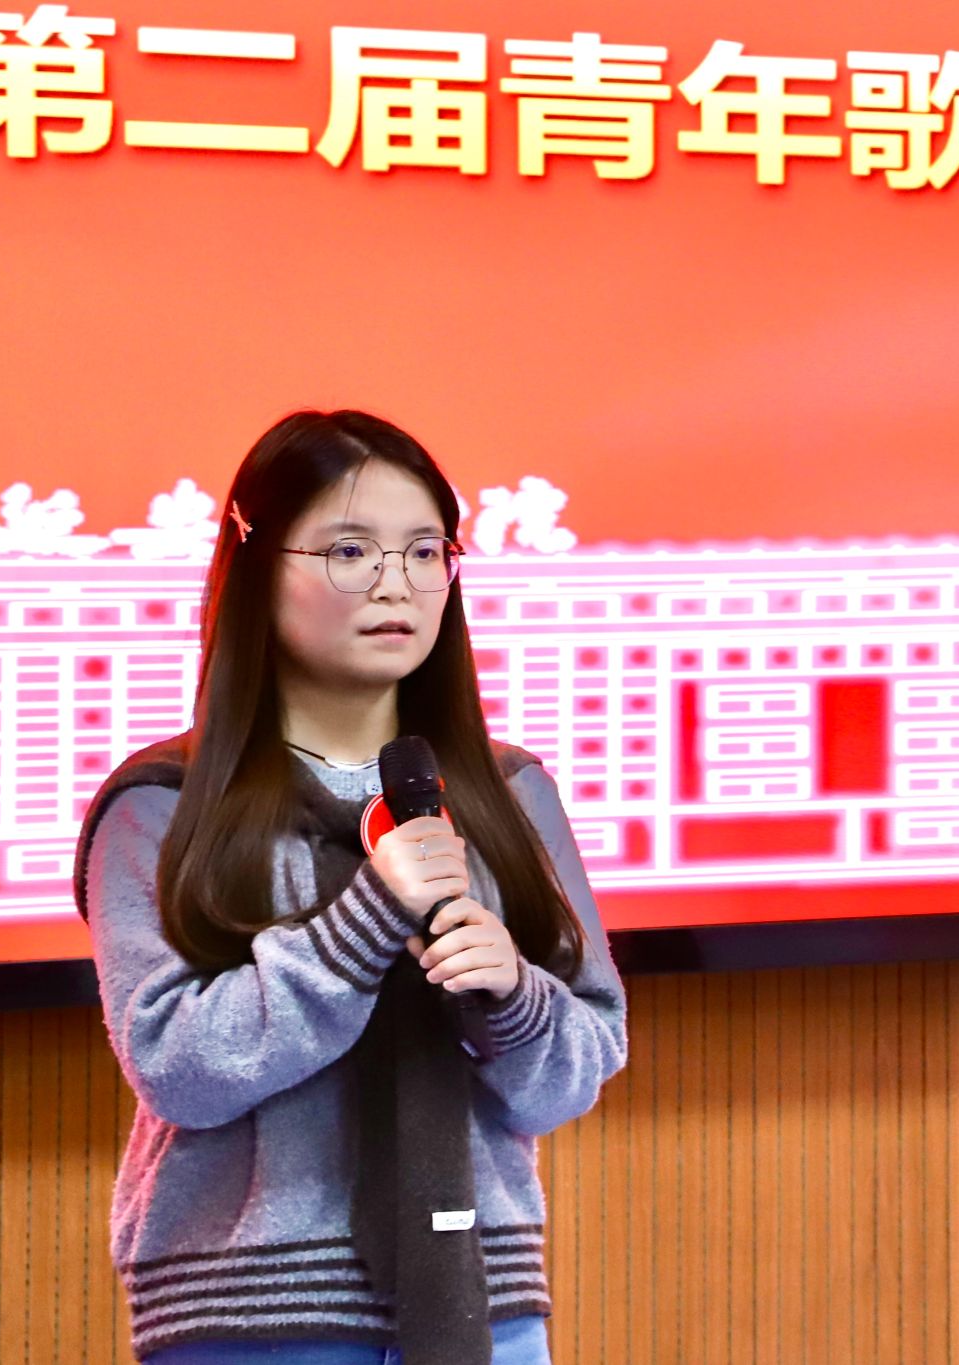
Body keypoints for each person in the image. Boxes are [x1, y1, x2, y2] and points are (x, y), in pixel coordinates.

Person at [74, 410, 626, 1364]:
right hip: (252, 1319)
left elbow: (578, 1066)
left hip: (485, 1309)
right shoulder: (162, 805)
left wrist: (513, 994)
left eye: (424, 551)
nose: (395, 583)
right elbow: (179, 1066)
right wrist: (368, 918)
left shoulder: (508, 794)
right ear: (258, 566)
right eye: (349, 550)